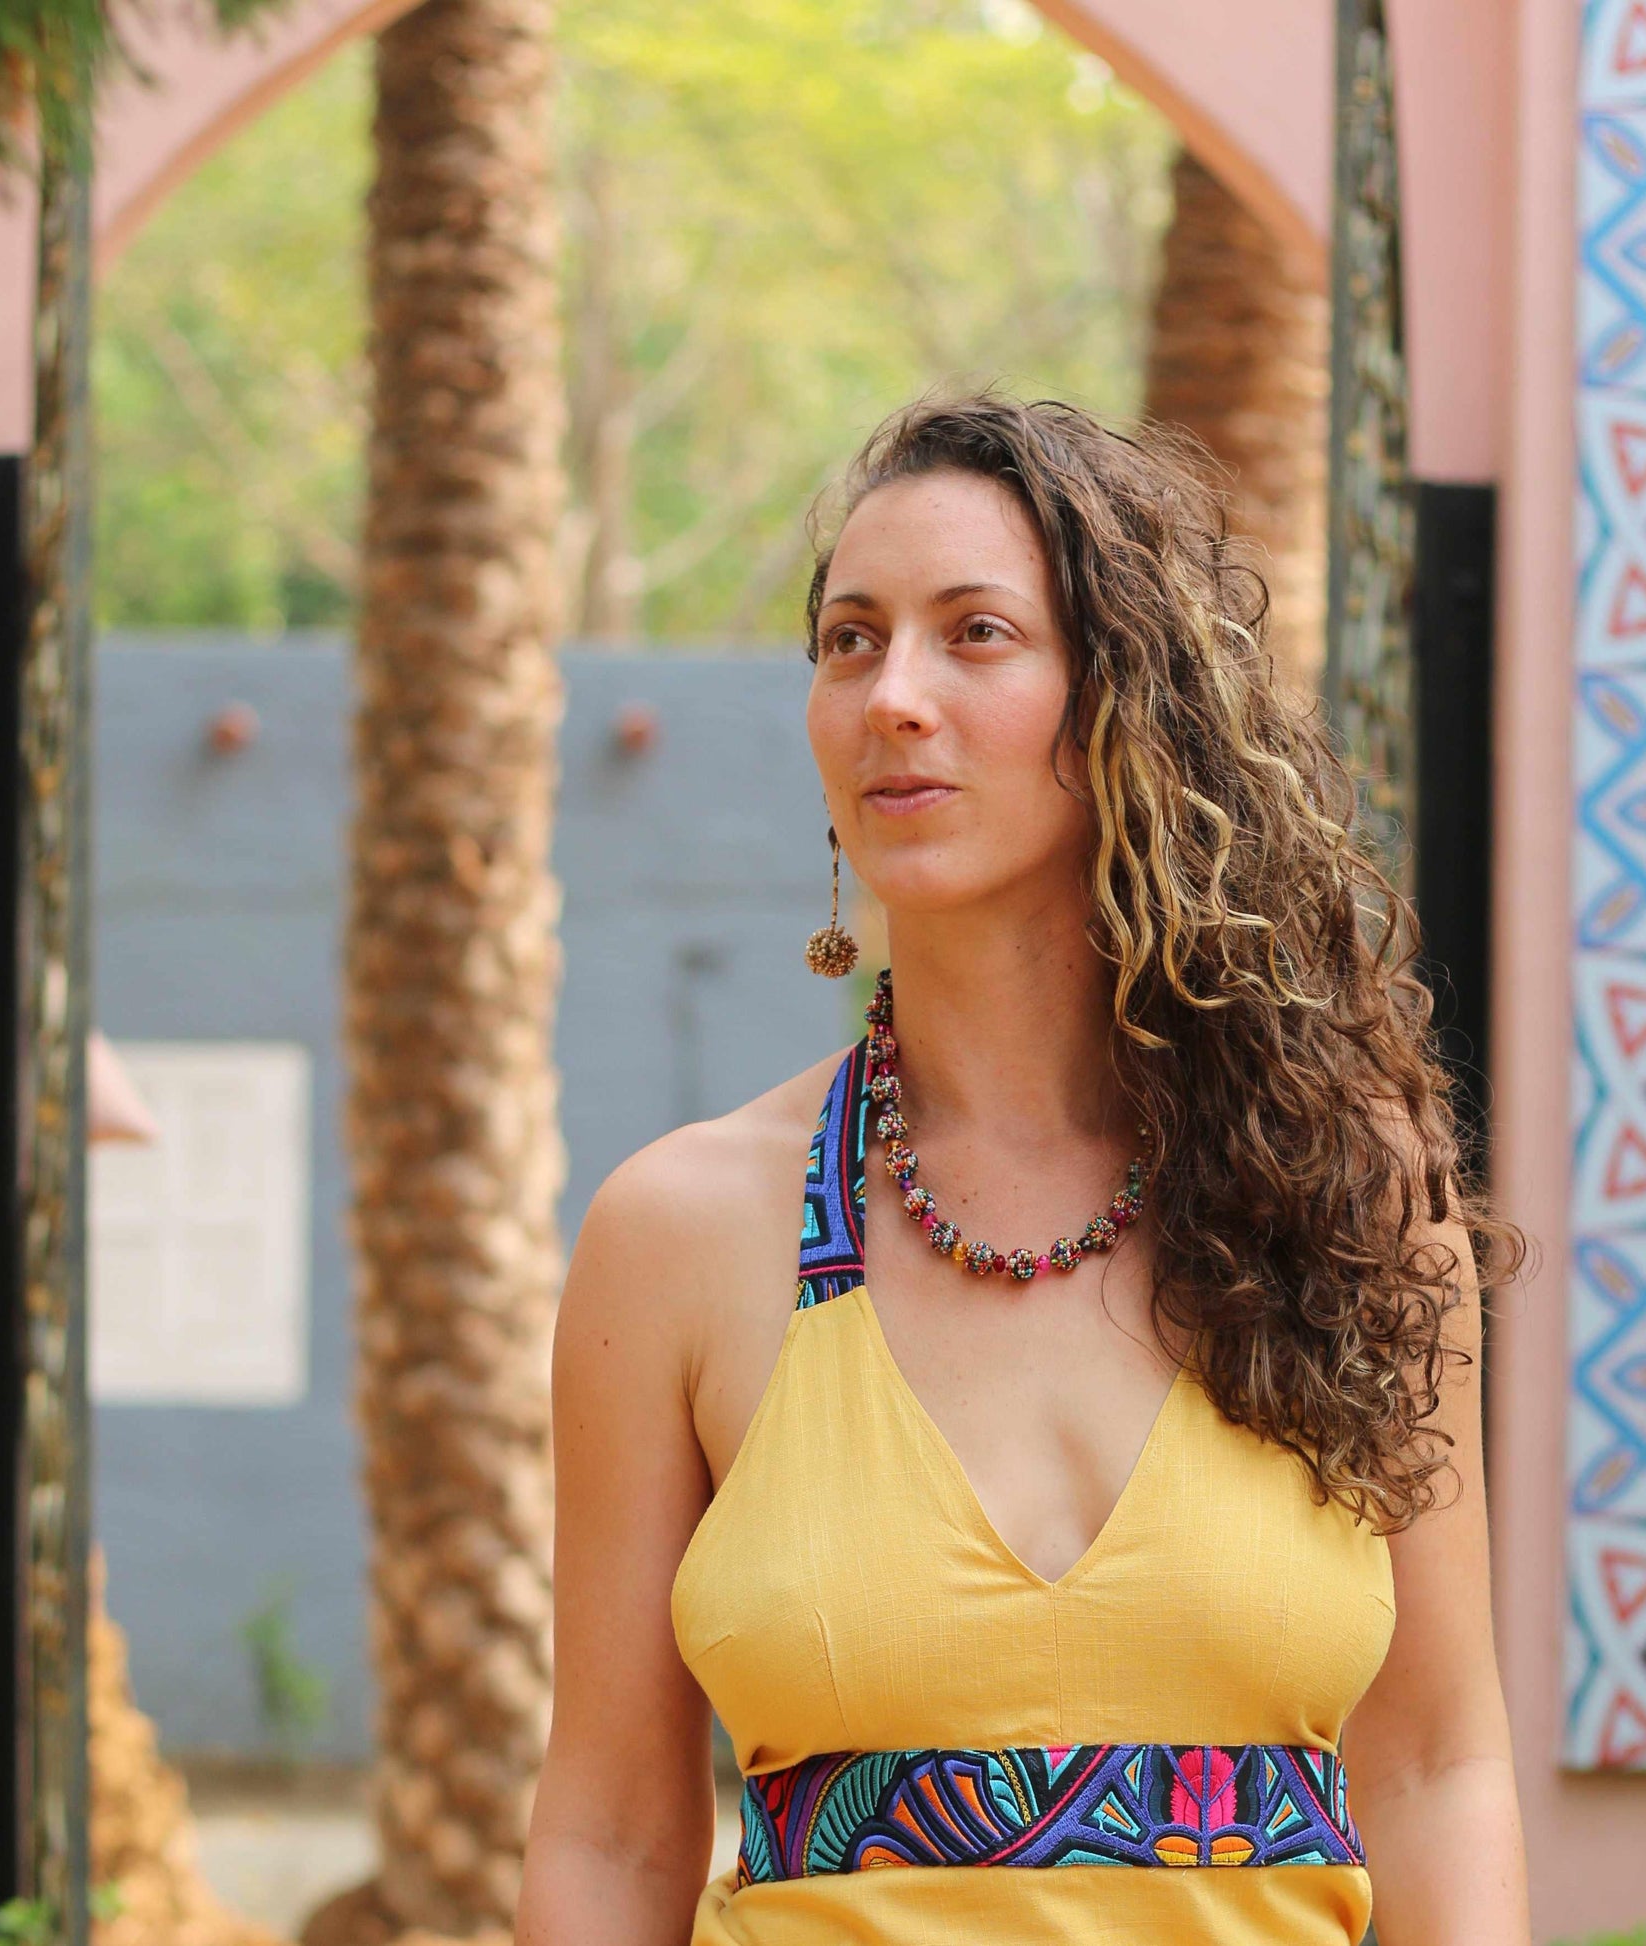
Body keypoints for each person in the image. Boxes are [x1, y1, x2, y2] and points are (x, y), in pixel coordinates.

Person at [515, 393, 1530, 1946]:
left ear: (1129, 702)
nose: (891, 696)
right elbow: (609, 1833)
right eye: (848, 641)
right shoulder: (680, 1231)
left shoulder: (1349, 1197)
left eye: (973, 633)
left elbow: (1436, 1764)